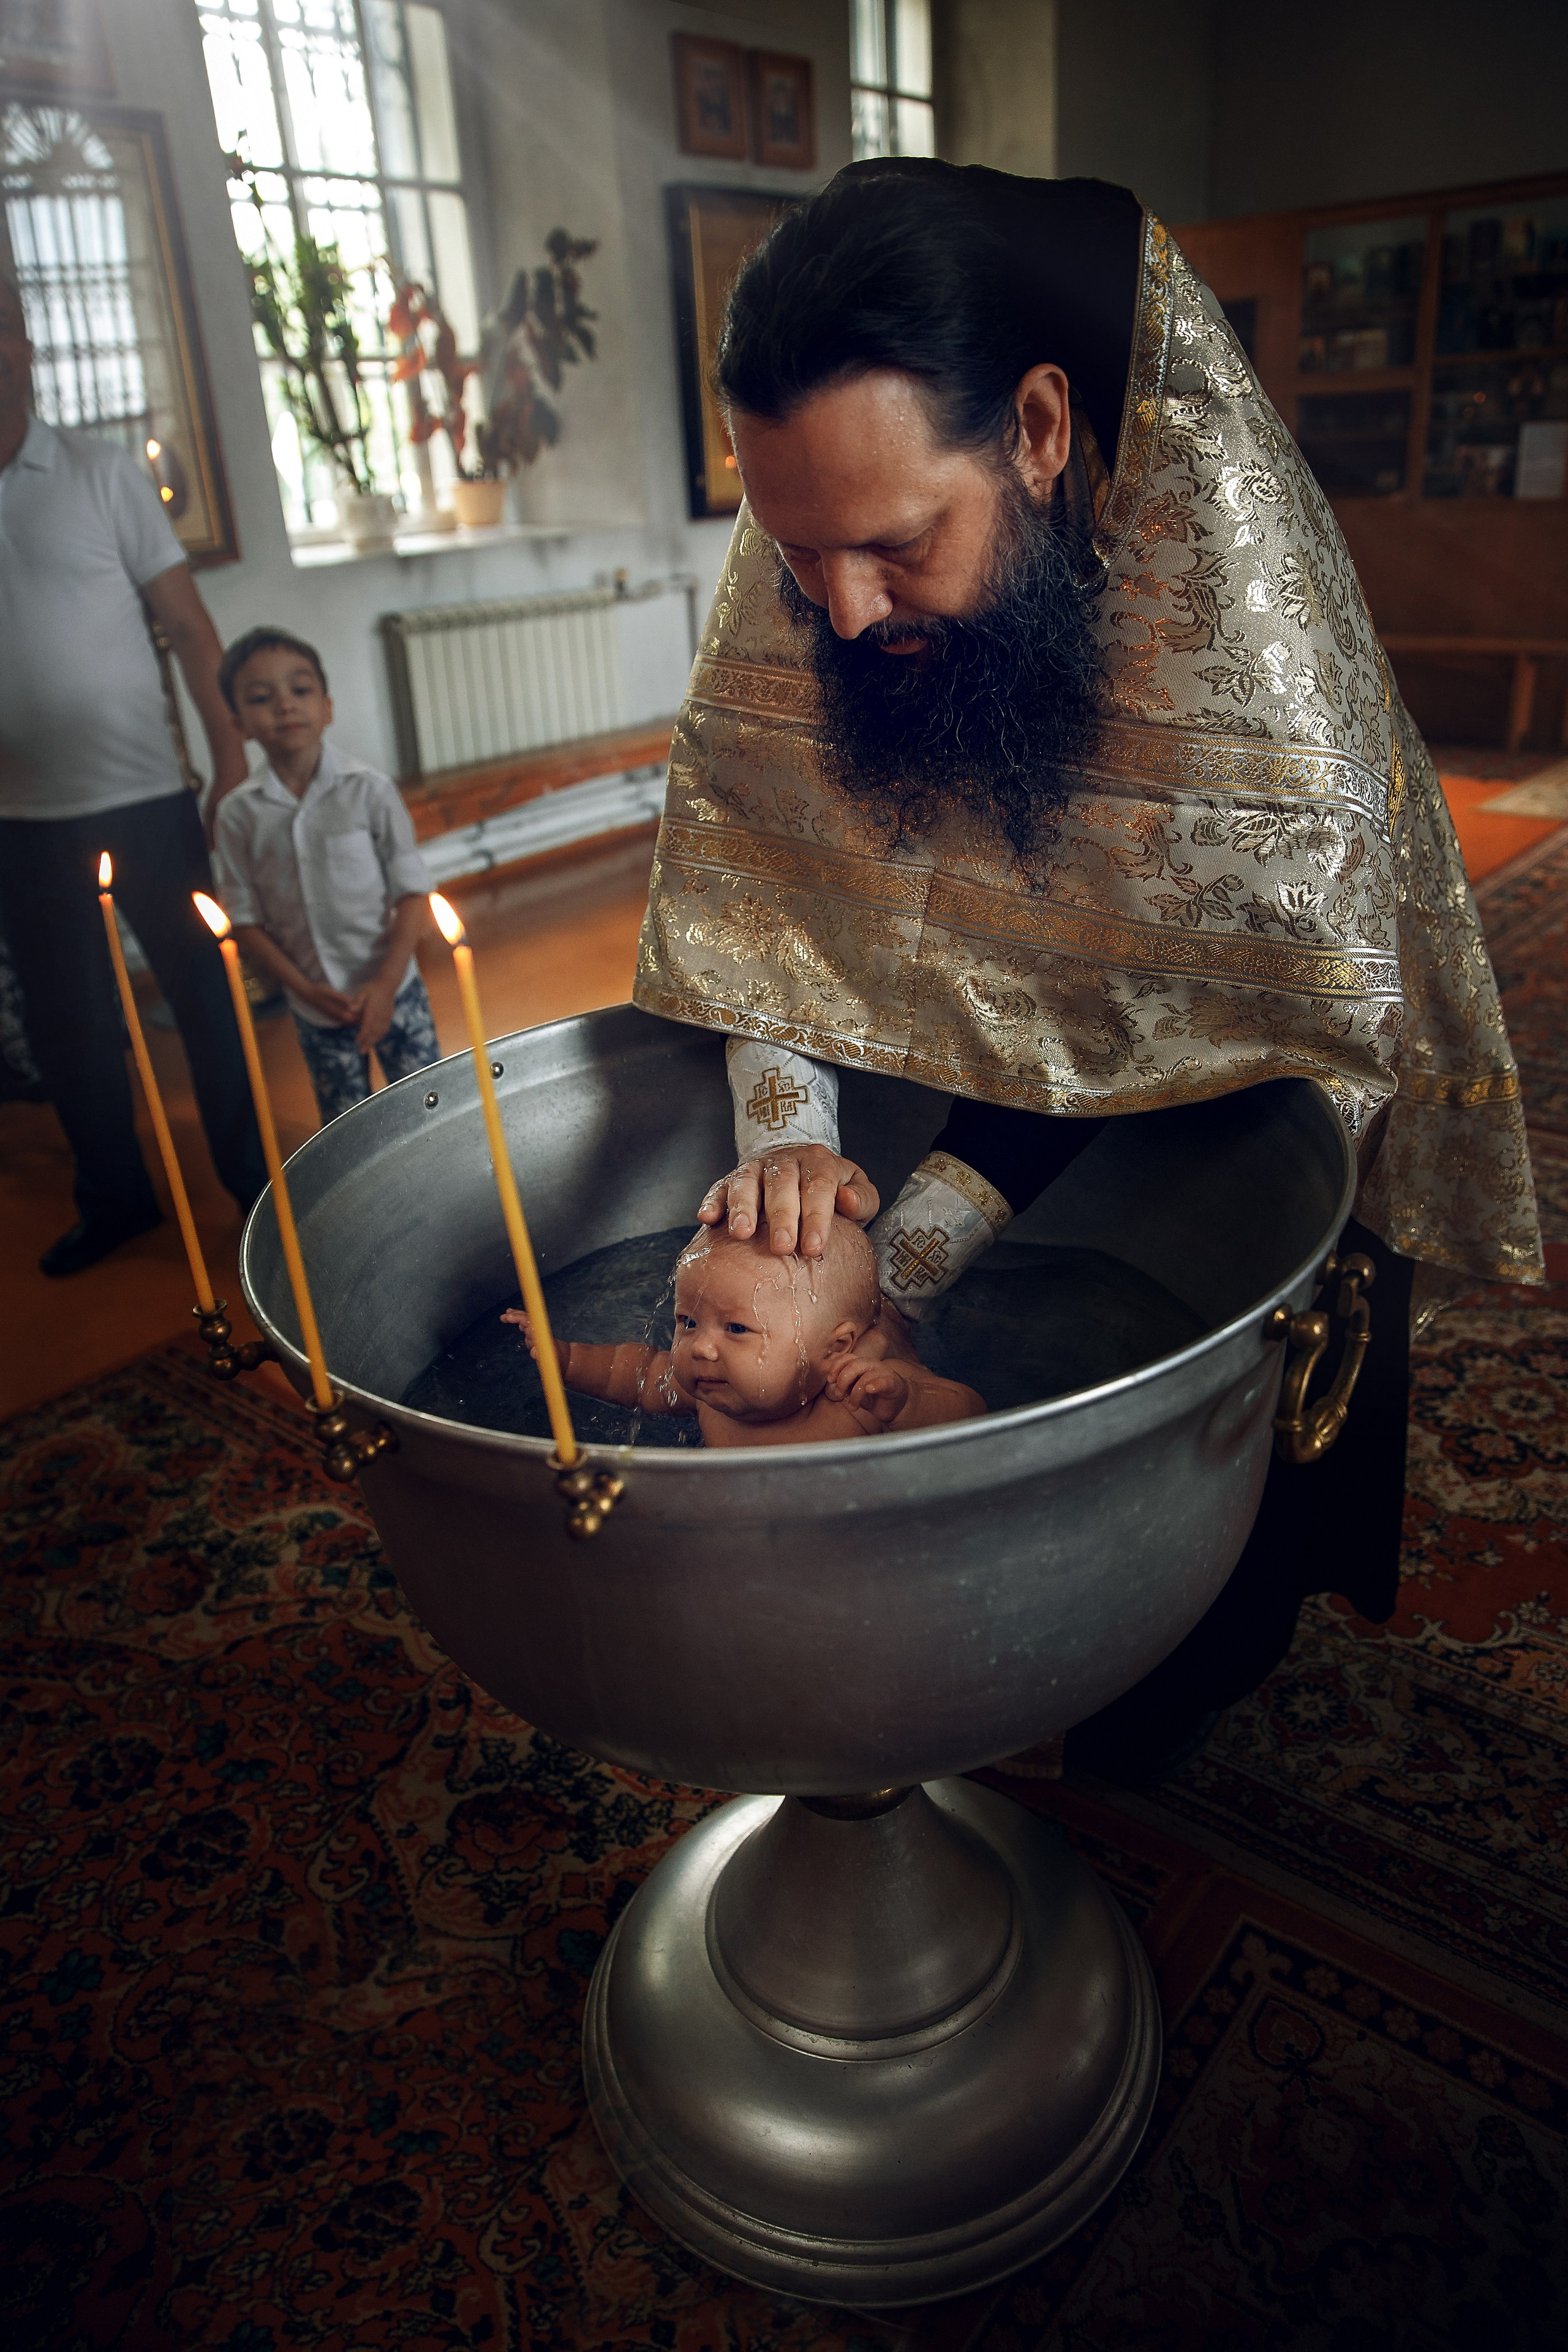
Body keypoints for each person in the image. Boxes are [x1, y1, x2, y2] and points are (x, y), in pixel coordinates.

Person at [631, 162, 1544, 1779]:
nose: (839, 615)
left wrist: (892, 1266)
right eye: (795, 557)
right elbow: (766, 888)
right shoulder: (834, 541)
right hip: (944, 1090)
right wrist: (786, 1145)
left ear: (1040, 434)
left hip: (1201, 1125)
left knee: (1167, 1651)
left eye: (899, 545)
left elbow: (1195, 1015)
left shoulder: (1237, 643)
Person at [0, 271, 266, 1275]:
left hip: (145, 797)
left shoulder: (99, 472)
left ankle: (255, 1185)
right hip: (17, 817)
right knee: (69, 1022)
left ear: (22, 343)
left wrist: (229, 747)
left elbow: (190, 627)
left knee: (204, 994)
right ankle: (115, 1195)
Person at [213, 627, 440, 1125]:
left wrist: (384, 984)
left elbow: (412, 892)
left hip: (395, 989)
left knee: (430, 1111)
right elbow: (244, 919)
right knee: (345, 1129)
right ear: (238, 723)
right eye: (260, 697)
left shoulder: (370, 792)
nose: (285, 706)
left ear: (328, 706)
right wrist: (301, 987)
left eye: (300, 690)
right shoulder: (238, 816)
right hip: (316, 1005)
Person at [505, 1216, 985, 1447]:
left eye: (737, 1328)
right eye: (687, 1322)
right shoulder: (710, 1393)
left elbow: (969, 1413)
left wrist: (904, 1405)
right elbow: (634, 1376)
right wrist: (564, 1359)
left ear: (835, 1349)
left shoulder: (857, 1393)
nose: (703, 1348)